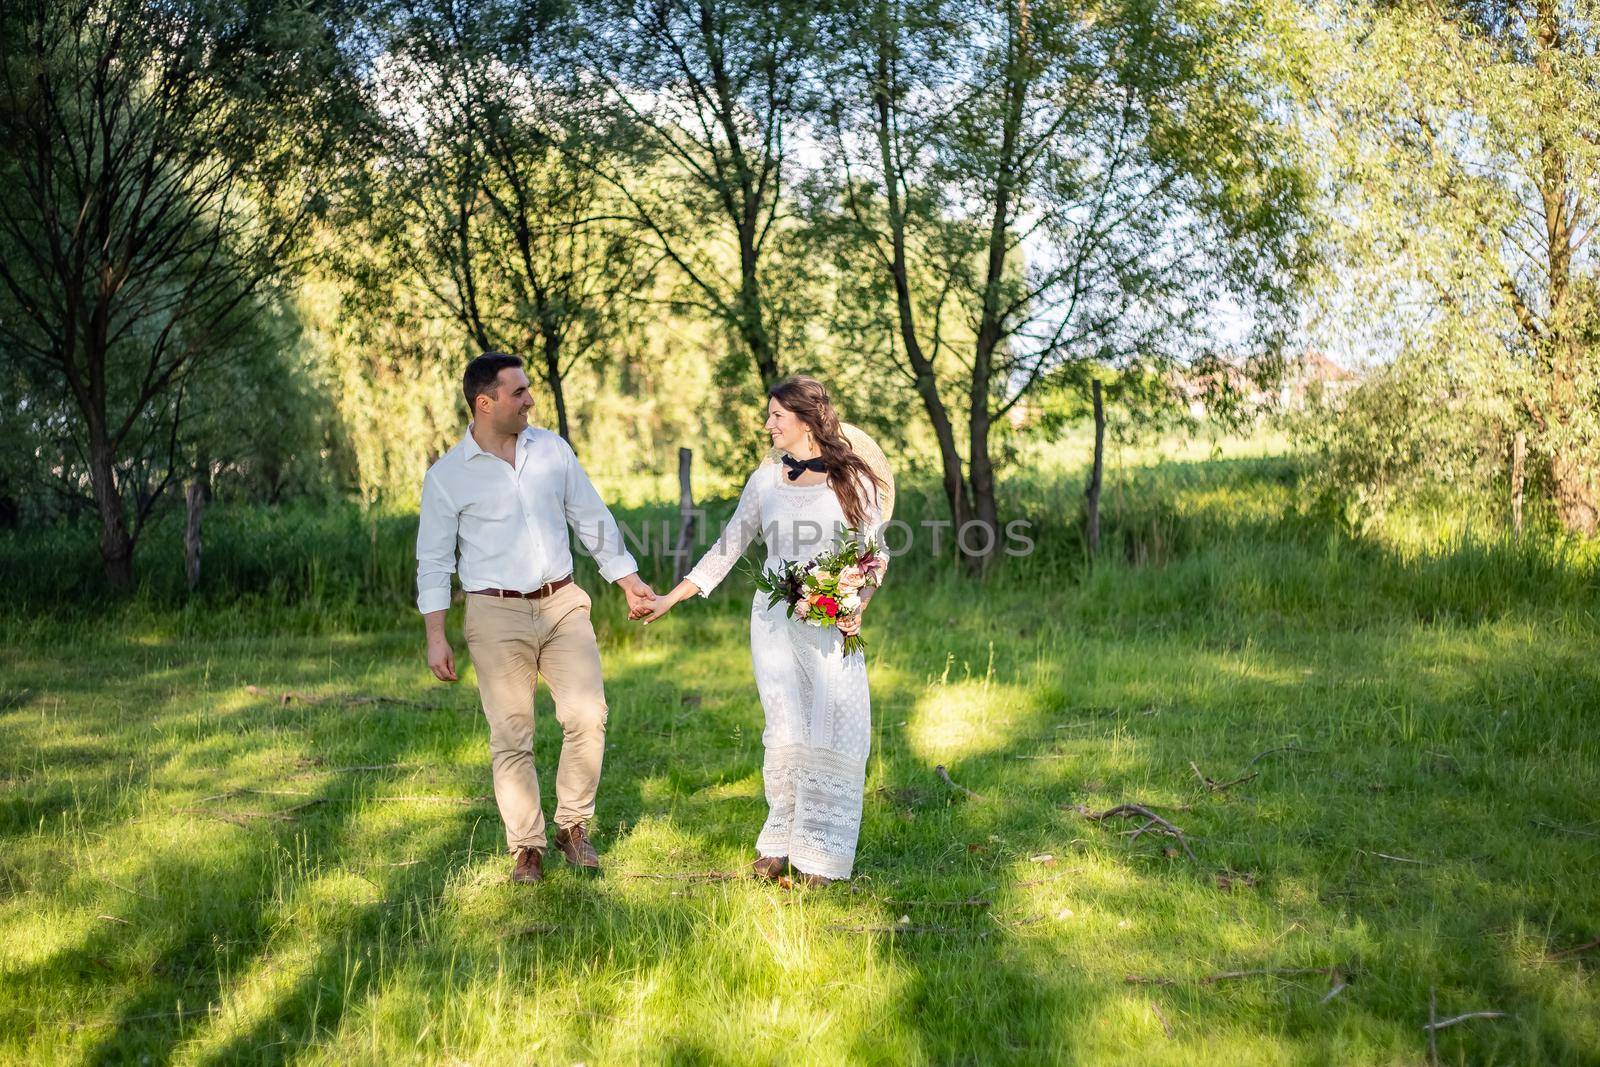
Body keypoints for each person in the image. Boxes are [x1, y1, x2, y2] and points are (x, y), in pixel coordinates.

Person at [636, 376, 888, 886]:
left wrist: (858, 602)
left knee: (832, 722)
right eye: (769, 414)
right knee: (784, 727)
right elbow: (728, 547)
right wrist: (671, 598)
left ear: (806, 420)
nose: (768, 423)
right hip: (774, 618)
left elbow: (873, 554)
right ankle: (780, 840)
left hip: (829, 617)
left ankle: (823, 851)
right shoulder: (765, 480)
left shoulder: (853, 480)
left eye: (777, 415)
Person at [416, 352, 655, 884]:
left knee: (587, 714)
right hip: (494, 611)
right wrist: (437, 635)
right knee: (512, 731)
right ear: (486, 402)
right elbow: (432, 561)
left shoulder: (550, 449)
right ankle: (527, 846)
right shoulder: (447, 477)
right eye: (518, 392)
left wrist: (627, 580)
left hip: (562, 601)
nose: (529, 399)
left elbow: (590, 516)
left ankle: (573, 827)